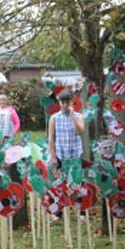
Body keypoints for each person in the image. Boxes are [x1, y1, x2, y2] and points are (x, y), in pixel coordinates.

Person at [48, 89, 86, 221]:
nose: (65, 105)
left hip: (75, 154)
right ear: (59, 102)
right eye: (62, 102)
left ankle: (81, 211)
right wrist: (53, 156)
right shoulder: (54, 118)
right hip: (61, 155)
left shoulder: (79, 116)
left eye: (67, 102)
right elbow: (51, 138)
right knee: (60, 183)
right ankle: (58, 212)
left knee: (78, 183)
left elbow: (80, 131)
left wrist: (72, 116)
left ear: (72, 102)